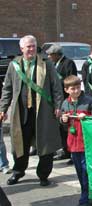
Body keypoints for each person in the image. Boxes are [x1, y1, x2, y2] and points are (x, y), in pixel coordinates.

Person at [0, 35, 64, 186]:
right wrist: (3, 108)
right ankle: (18, 172)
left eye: (33, 46)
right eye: (28, 46)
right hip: (21, 111)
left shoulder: (46, 63)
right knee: (19, 143)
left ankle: (43, 175)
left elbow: (56, 87)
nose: (31, 49)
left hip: (43, 111)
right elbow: (7, 89)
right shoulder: (14, 65)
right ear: (21, 49)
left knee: (45, 144)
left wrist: (58, 106)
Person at [60, 75, 92, 206]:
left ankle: (86, 197)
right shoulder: (65, 103)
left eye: (78, 88)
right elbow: (64, 126)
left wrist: (87, 117)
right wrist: (63, 120)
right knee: (79, 170)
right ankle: (86, 193)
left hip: (86, 143)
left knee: (86, 170)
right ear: (66, 90)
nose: (76, 91)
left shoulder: (89, 101)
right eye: (73, 89)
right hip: (73, 143)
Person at [46, 44, 78, 163]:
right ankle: (64, 150)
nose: (49, 56)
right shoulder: (53, 64)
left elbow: (71, 79)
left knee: (68, 127)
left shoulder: (68, 63)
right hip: (56, 99)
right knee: (60, 127)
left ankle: (70, 153)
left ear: (56, 54)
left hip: (66, 98)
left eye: (51, 54)